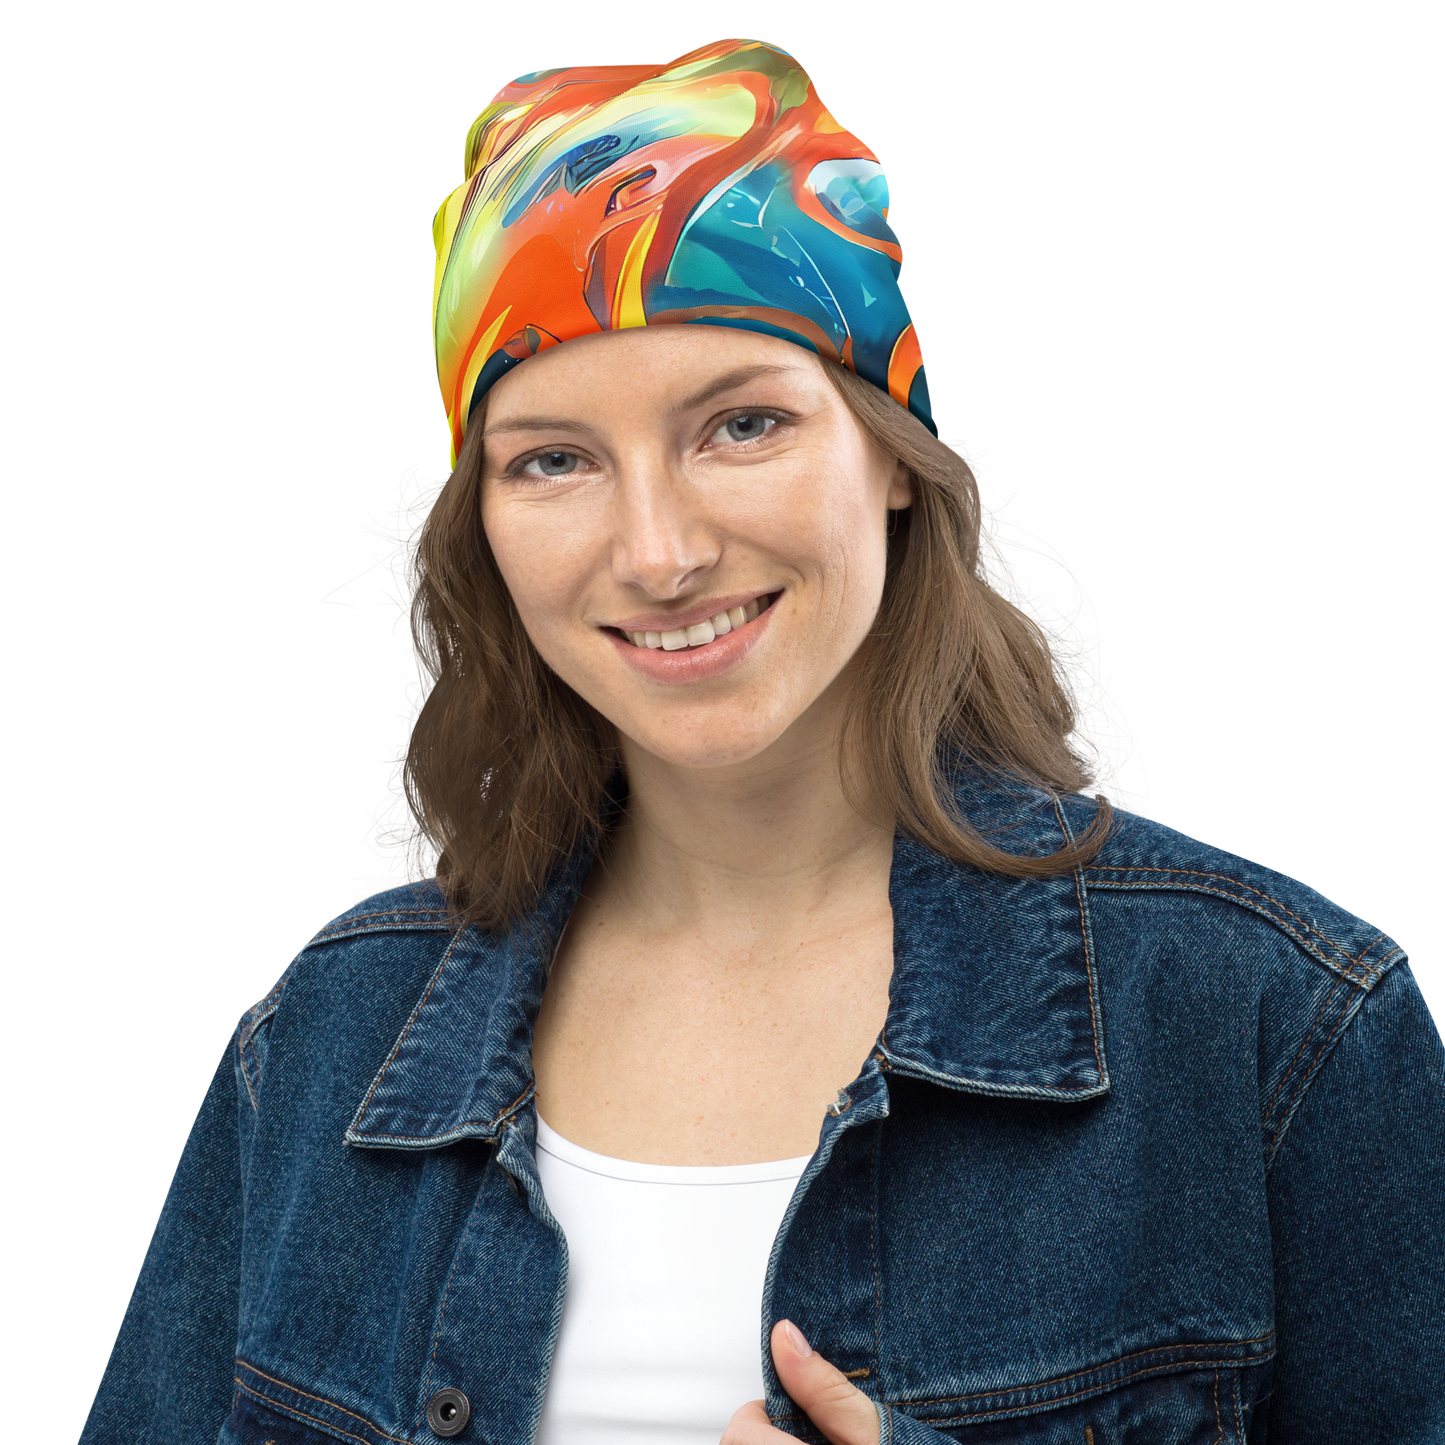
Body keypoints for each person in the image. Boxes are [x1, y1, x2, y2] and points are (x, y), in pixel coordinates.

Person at [82, 36, 1443, 1445]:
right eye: (553, 459)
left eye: (740, 425)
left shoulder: (1281, 1028)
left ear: (893, 456)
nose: (658, 553)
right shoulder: (323, 1038)